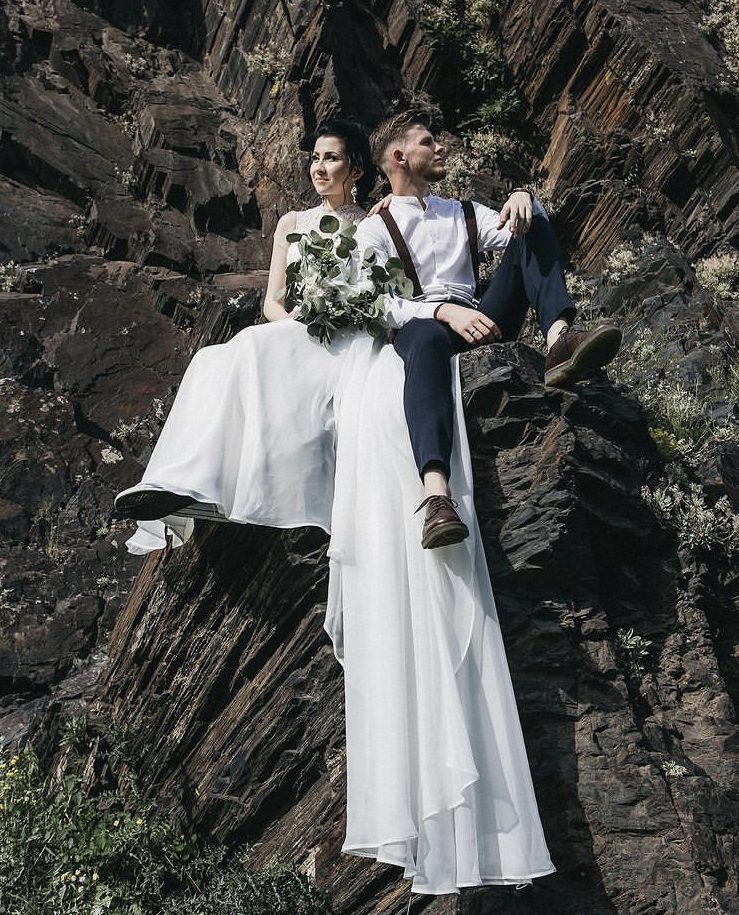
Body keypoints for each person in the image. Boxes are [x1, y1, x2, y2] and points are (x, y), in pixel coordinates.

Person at [113, 118, 557, 897]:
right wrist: (325, 320)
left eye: (330, 159)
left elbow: (396, 295)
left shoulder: (395, 219)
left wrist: (516, 207)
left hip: (390, 327)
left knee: (350, 363)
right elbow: (286, 303)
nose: (319, 169)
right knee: (232, 354)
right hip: (333, 329)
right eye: (313, 158)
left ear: (357, 166)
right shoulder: (311, 224)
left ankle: (558, 333)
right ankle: (192, 479)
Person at [356, 108, 622, 550]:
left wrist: (523, 197)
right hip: (426, 325)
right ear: (399, 157)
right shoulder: (375, 229)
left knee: (532, 221)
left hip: (484, 319)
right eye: (428, 142)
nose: (440, 147)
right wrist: (442, 312)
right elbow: (377, 305)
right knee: (422, 338)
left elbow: (521, 232)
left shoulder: (462, 211)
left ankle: (559, 340)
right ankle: (437, 498)